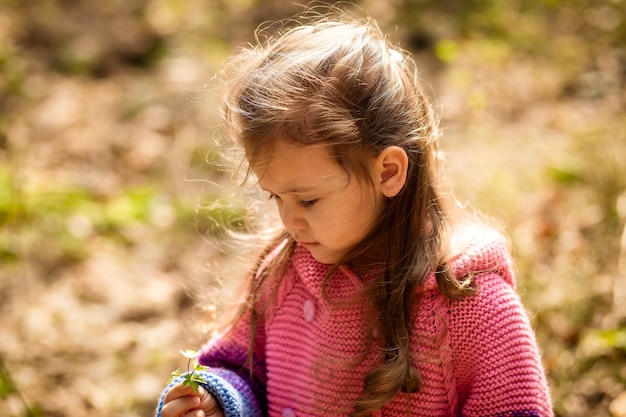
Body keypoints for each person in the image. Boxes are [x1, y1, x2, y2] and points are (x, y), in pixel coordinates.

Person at [156, 11, 553, 417]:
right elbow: (238, 368)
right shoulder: (283, 274)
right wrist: (219, 402)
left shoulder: (471, 307)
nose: (289, 222)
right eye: (275, 197)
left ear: (388, 172)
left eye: (308, 200)